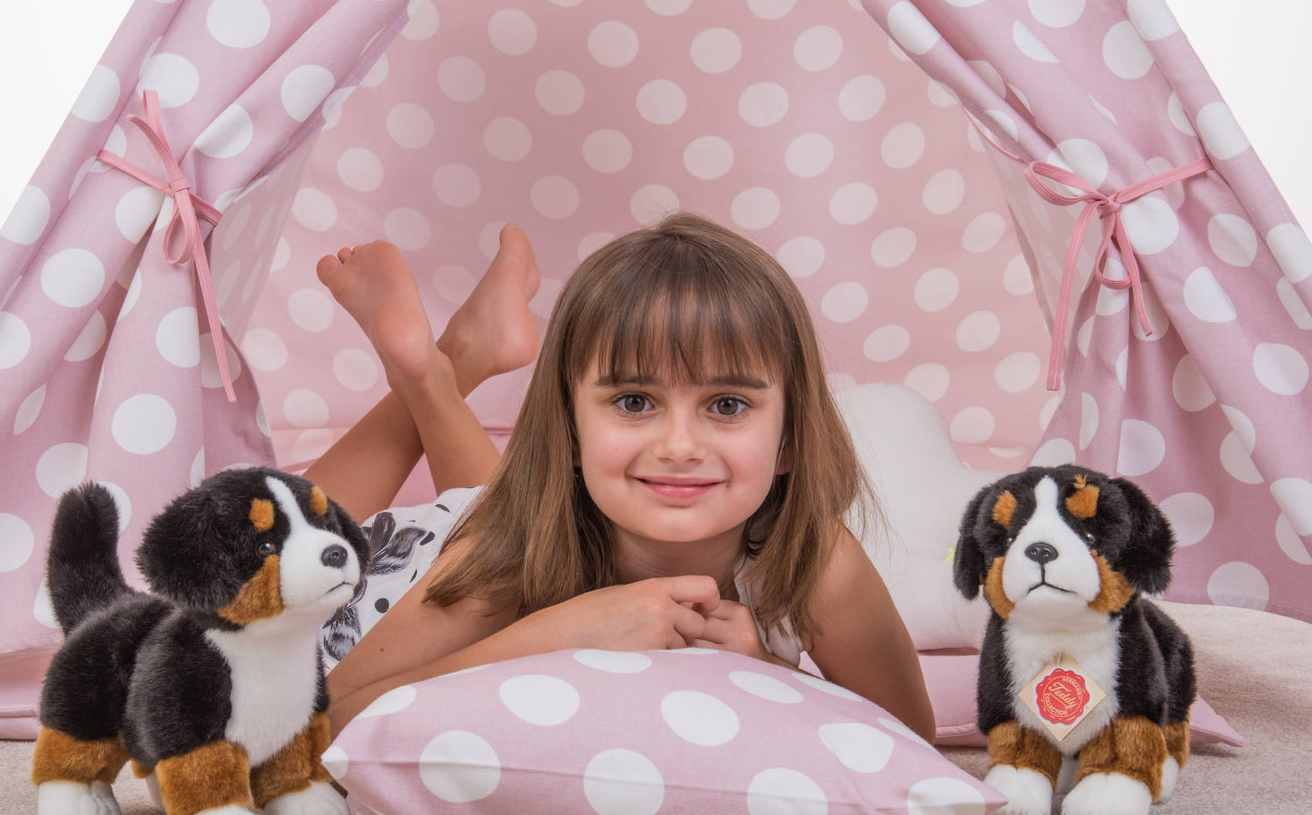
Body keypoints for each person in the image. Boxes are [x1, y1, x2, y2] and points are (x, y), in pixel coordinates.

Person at [307, 214, 935, 743]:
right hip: (357, 578)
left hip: (523, 520)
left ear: (789, 440)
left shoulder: (815, 560)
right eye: (635, 401)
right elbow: (313, 730)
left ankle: (451, 361)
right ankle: (431, 368)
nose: (680, 448)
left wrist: (770, 671)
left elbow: (911, 744)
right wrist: (554, 635)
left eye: (728, 405)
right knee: (275, 532)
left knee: (514, 510)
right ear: (569, 429)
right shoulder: (500, 557)